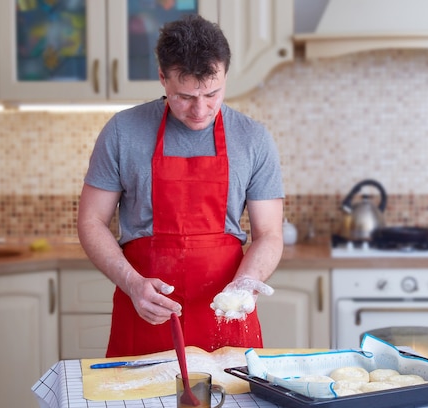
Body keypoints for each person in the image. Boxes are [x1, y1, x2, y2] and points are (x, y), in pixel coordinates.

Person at [77, 14, 284, 357]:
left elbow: (269, 234)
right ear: (162, 78)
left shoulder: (253, 139)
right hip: (146, 308)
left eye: (212, 94)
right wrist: (131, 283)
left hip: (226, 314)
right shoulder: (122, 131)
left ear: (225, 76)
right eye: (185, 97)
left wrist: (246, 284)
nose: (200, 110)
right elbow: (90, 221)